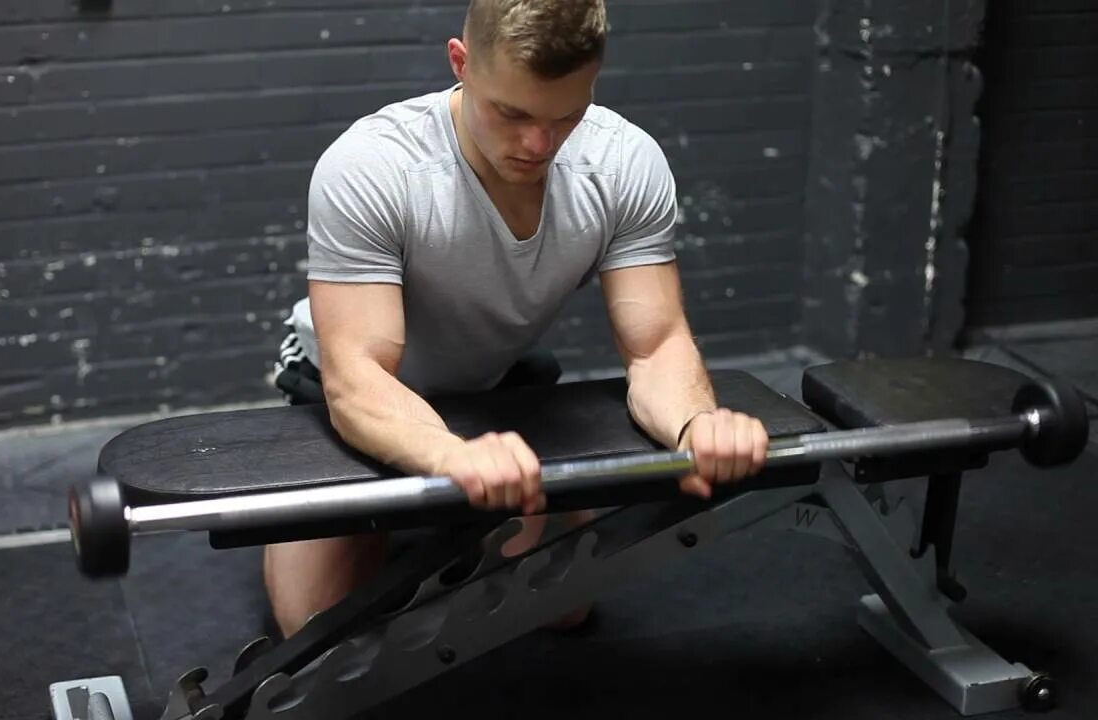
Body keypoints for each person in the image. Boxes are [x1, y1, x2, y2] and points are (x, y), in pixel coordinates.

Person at [265, 0, 770, 638]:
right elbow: (358, 374)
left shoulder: (622, 163)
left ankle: (463, 518)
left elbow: (657, 345)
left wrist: (696, 426)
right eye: (512, 113)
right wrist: (450, 456)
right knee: (318, 633)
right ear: (461, 63)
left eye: (566, 117)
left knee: (561, 606)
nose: (538, 145)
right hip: (346, 391)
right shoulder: (375, 167)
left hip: (492, 386)